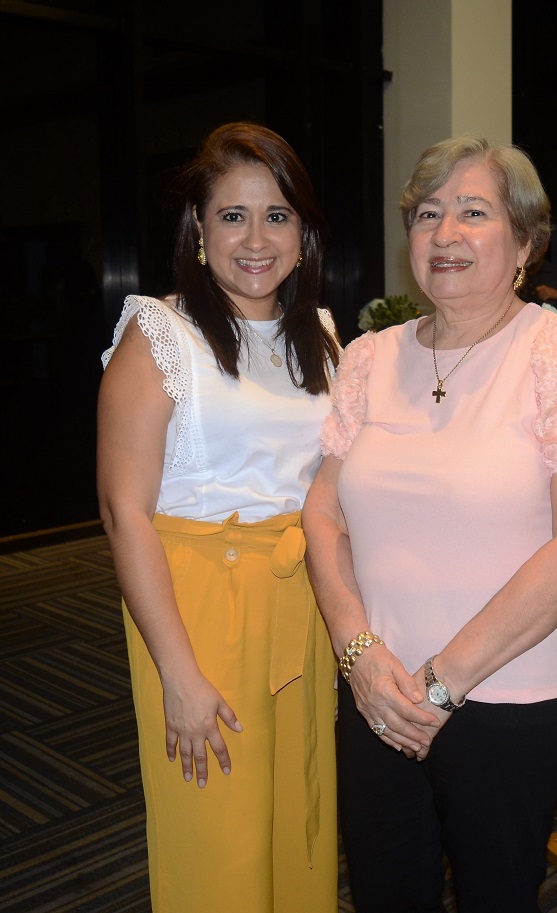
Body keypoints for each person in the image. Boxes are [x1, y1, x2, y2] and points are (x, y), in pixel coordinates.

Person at [302, 134, 557, 913]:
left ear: (525, 241)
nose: (445, 234)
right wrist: (358, 651)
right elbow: (322, 512)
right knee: (388, 894)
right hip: (374, 689)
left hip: (509, 699)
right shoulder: (368, 356)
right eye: (427, 214)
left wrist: (439, 684)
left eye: (473, 212)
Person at [97, 122, 342, 913]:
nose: (255, 238)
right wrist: (177, 672)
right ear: (198, 230)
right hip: (197, 604)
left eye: (277, 215)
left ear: (303, 234)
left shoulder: (323, 336)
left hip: (298, 598)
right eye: (232, 215)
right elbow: (122, 511)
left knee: (299, 820)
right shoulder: (162, 333)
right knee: (219, 836)